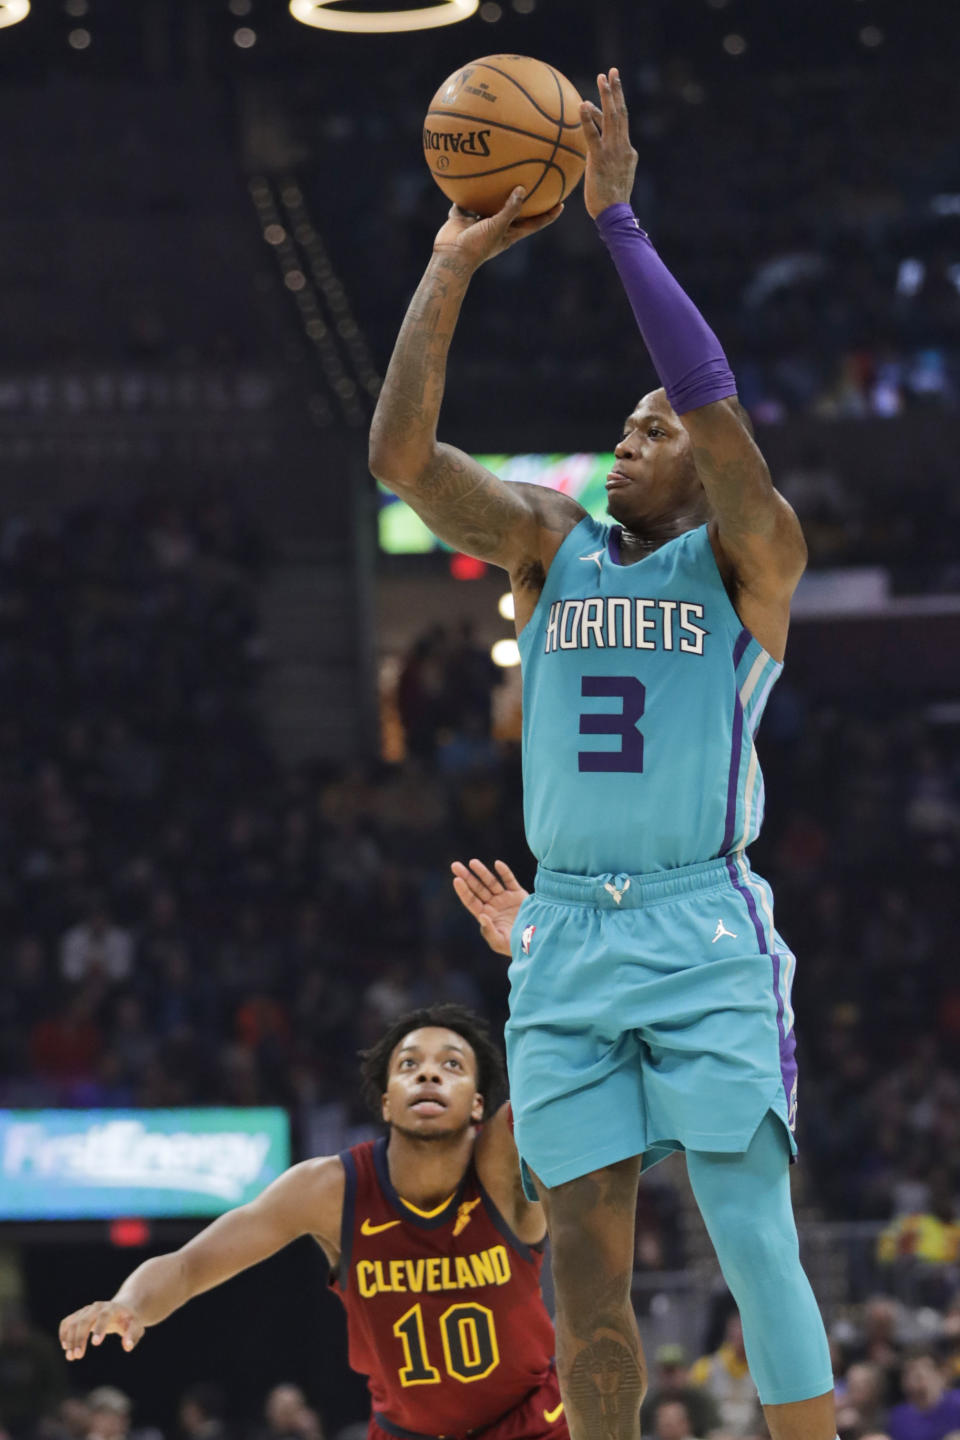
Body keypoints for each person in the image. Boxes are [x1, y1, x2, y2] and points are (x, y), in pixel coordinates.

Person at [370, 63, 836, 1440]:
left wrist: (620, 224)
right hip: (567, 933)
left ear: (699, 459)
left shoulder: (754, 558)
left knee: (753, 1238)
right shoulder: (545, 546)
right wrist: (453, 262)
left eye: (647, 433)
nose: (622, 446)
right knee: (583, 1275)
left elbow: (710, 396)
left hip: (702, 922)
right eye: (619, 431)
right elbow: (401, 459)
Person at [59, 1004, 568, 1440]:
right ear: (387, 1100)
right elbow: (190, 1266)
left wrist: (528, 945)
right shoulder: (331, 1189)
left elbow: (562, 1057)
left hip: (528, 1423)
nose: (428, 1074)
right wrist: (129, 1304)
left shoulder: (503, 1160)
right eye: (409, 1064)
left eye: (452, 1065)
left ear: (479, 1103)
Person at [886, 1350, 960, 1440]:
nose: (912, 1381)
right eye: (907, 1375)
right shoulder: (898, 1417)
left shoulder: (957, 1402)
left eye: (919, 1375)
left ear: (941, 1375)